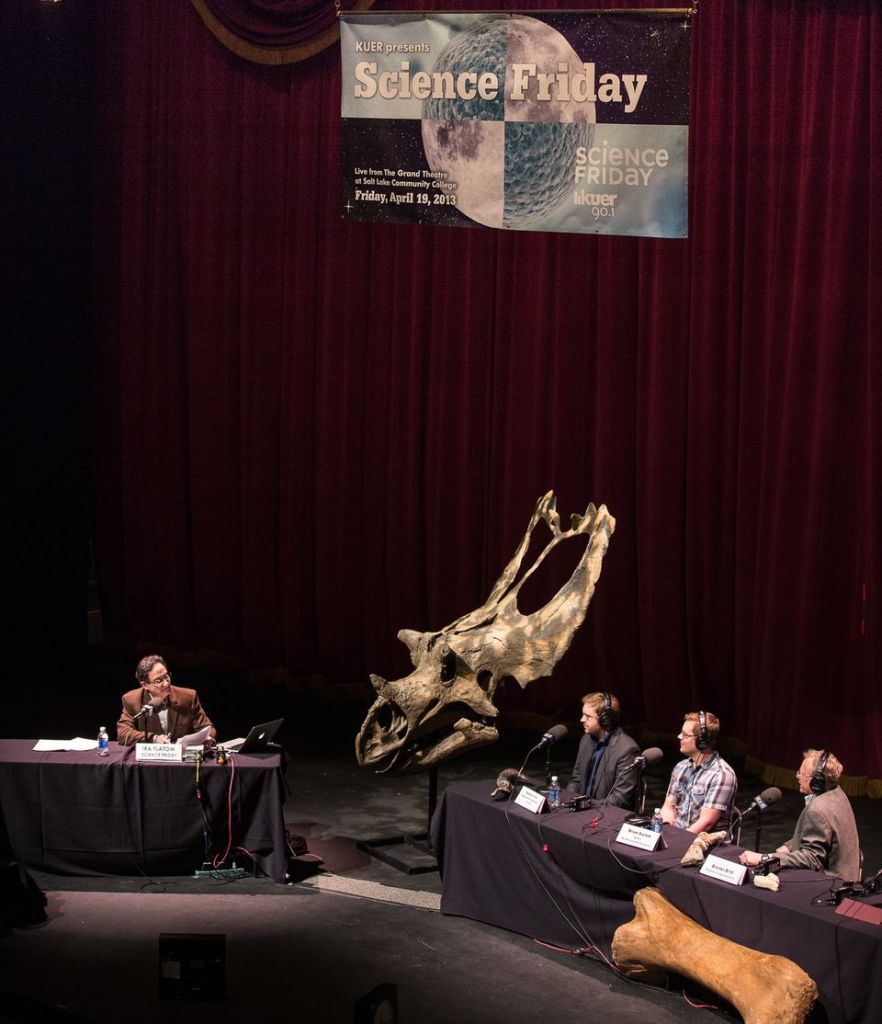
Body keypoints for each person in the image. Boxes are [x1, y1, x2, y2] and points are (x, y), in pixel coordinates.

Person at [739, 749, 861, 880]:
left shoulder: (817, 809)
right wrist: (790, 846)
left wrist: (764, 858)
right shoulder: (837, 794)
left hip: (830, 884)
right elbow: (824, 834)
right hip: (847, 876)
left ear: (816, 782)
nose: (797, 776)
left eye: (801, 774)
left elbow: (811, 858)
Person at [660, 710, 737, 833]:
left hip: (706, 845)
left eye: (685, 735)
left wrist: (678, 843)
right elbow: (668, 807)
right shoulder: (681, 767)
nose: (679, 736)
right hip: (677, 838)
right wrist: (667, 832)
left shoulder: (722, 775)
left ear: (702, 741)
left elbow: (706, 823)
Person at [117, 654, 217, 746]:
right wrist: (154, 738)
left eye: (166, 676)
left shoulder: (188, 697)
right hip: (149, 760)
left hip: (181, 759)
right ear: (145, 685)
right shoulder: (132, 699)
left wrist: (208, 738)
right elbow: (123, 733)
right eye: (159, 680)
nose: (166, 683)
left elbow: (207, 728)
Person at [566, 692, 640, 808]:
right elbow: (576, 780)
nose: (582, 719)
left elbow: (620, 799)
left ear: (605, 719)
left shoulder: (627, 749)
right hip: (583, 810)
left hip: (607, 816)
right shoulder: (586, 739)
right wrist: (568, 800)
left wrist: (586, 806)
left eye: (588, 716)